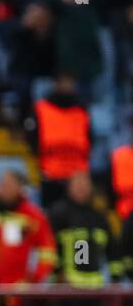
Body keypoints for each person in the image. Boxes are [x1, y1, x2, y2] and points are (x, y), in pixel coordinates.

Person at [48, 172, 120, 306]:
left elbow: (113, 251)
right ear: (69, 187)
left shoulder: (100, 218)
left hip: (95, 290)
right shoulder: (58, 214)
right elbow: (50, 249)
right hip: (68, 290)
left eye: (85, 183)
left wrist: (115, 278)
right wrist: (57, 274)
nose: (82, 187)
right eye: (77, 183)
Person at [0, 168, 55, 306]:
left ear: (20, 188)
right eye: (2, 184)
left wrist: (33, 280)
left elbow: (47, 252)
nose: (4, 188)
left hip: (18, 292)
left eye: (10, 184)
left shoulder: (33, 216)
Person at [28, 74, 92, 207]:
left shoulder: (82, 111)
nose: (67, 86)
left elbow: (90, 141)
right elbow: (32, 140)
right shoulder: (41, 108)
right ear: (55, 83)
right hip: (50, 177)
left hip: (77, 176)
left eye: (70, 81)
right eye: (63, 81)